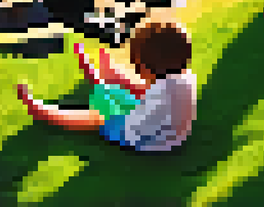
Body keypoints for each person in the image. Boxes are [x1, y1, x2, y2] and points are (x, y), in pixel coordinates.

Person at [15, 21, 196, 153]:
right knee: (120, 95)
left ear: (148, 67)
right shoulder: (184, 77)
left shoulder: (161, 90)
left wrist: (114, 110)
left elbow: (137, 107)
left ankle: (46, 112)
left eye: (137, 66)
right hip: (172, 134)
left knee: (96, 117)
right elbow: (143, 94)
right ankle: (102, 78)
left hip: (147, 139)